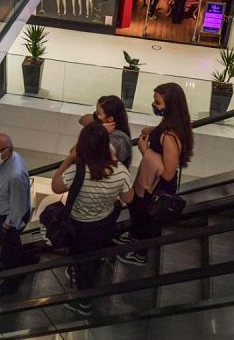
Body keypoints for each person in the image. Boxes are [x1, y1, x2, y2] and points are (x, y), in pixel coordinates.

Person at [52, 123, 135, 316]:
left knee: (81, 263)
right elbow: (128, 199)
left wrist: (69, 159)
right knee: (93, 256)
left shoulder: (77, 171)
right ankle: (92, 274)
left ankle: (84, 303)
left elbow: (56, 186)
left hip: (79, 226)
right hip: (104, 223)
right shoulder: (120, 171)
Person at [116, 82, 194, 266]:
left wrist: (145, 151)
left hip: (157, 186)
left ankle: (140, 253)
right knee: (136, 208)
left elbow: (167, 173)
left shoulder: (170, 137)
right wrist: (153, 131)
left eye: (157, 102)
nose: (154, 105)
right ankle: (134, 237)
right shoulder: (171, 126)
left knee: (146, 217)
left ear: (170, 106)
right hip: (148, 182)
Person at [0, 133, 32, 297]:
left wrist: (9, 223)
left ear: (9, 151)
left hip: (9, 218)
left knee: (8, 251)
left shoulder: (15, 175)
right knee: (13, 246)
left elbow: (19, 205)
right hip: (5, 213)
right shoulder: (7, 160)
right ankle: (21, 267)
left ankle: (10, 284)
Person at [79, 95, 133, 168]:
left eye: (98, 113)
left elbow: (107, 150)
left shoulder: (120, 138)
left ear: (110, 119)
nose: (96, 115)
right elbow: (82, 120)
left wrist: (99, 132)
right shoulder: (99, 124)